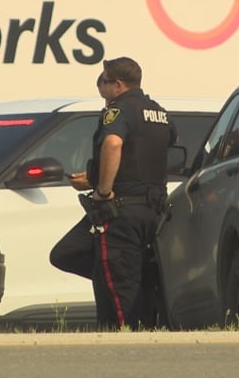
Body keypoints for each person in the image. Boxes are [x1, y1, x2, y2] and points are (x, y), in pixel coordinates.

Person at [49, 57, 177, 330]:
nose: (100, 87)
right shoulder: (159, 112)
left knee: (123, 291)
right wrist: (95, 178)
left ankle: (129, 343)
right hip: (152, 211)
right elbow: (149, 152)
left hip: (120, 211)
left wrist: (103, 191)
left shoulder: (118, 110)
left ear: (118, 85)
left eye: (103, 82)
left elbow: (113, 144)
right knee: (73, 255)